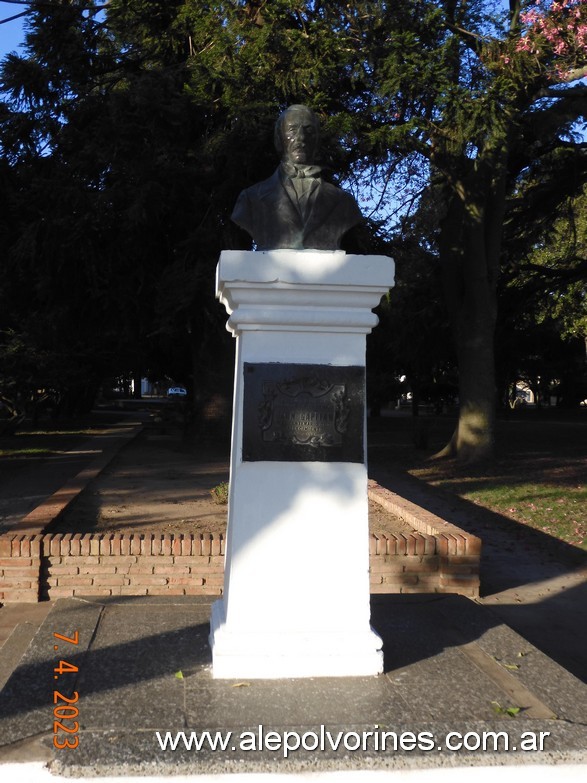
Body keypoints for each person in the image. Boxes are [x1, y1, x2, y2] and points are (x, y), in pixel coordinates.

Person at [231, 105, 363, 251]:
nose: (301, 137)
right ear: (279, 138)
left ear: (317, 139)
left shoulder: (344, 203)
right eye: (292, 130)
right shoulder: (250, 199)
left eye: (309, 130)